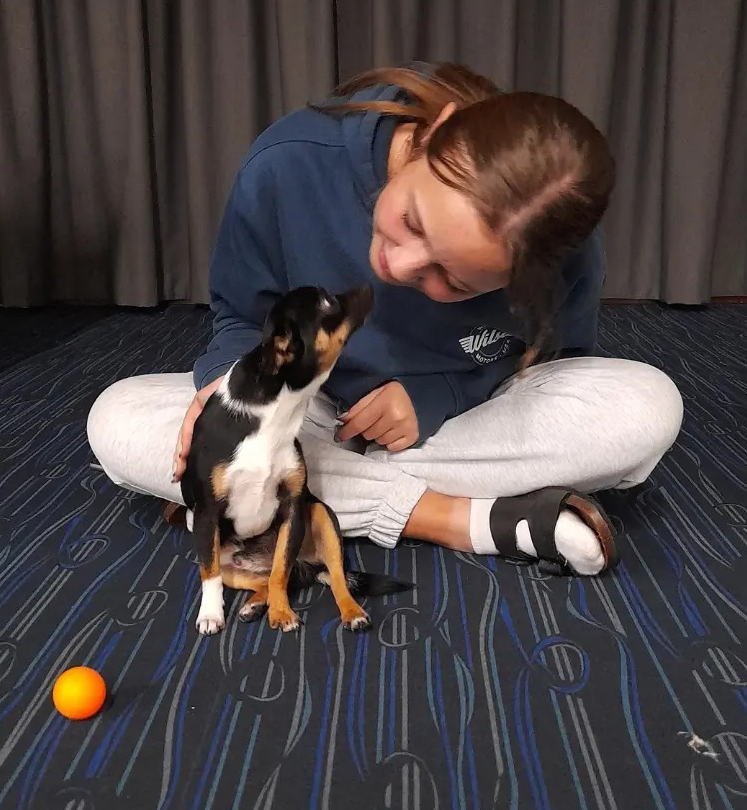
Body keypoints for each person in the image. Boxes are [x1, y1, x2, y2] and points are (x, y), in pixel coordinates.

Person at [87, 62, 683, 576]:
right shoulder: (287, 163)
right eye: (414, 221)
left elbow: (551, 370)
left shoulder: (565, 252)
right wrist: (228, 392)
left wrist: (443, 392)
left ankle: (260, 503)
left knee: (647, 405)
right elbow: (241, 317)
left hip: (460, 423)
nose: (397, 265)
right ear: (437, 132)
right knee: (117, 421)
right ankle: (460, 518)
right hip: (304, 414)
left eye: (454, 281)